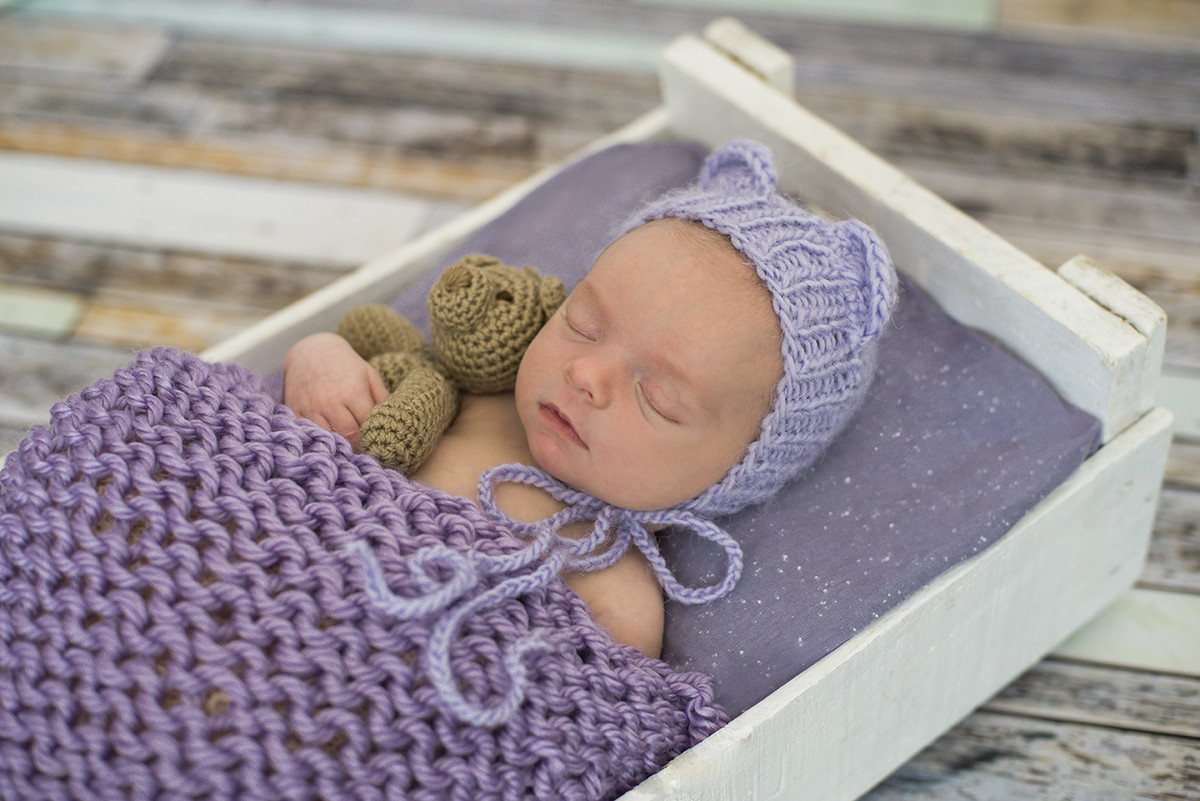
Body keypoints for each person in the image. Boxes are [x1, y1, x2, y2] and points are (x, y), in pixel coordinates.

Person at [282, 140, 897, 662]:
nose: (586, 374)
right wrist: (320, 362)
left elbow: (576, 712)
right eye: (582, 323)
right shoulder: (469, 396)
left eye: (656, 397)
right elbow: (332, 401)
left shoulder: (611, 585)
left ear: (729, 478)